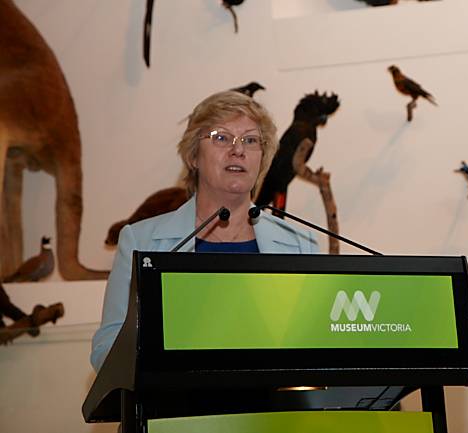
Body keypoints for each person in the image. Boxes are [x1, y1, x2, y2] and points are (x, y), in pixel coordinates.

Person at [91, 91, 318, 372]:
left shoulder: (300, 243)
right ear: (193, 156)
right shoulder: (141, 241)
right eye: (221, 137)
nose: (238, 150)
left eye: (250, 140)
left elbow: (315, 348)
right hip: (175, 398)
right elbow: (106, 351)